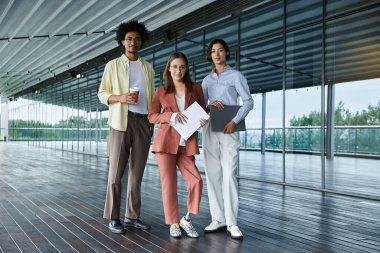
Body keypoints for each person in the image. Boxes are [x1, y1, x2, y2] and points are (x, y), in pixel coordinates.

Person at [98, 20, 154, 234]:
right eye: (129, 39)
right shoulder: (112, 65)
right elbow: (102, 94)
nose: (133, 42)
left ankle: (132, 216)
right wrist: (120, 97)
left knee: (137, 173)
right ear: (122, 41)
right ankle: (113, 217)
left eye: (137, 39)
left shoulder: (147, 67)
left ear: (142, 42)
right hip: (120, 122)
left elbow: (150, 98)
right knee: (115, 173)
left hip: (142, 122)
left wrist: (150, 122)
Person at [148, 52, 208, 238]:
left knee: (196, 180)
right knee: (169, 184)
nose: (178, 70)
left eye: (182, 67)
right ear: (169, 68)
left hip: (186, 143)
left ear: (187, 68)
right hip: (165, 143)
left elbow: (203, 110)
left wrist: (203, 119)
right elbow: (152, 116)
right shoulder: (161, 91)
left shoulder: (195, 88)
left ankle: (186, 219)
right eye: (174, 66)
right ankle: (173, 223)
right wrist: (171, 116)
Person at [202, 39, 253, 240]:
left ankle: (232, 222)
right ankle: (218, 218)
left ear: (226, 53)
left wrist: (235, 120)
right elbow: (202, 105)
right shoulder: (206, 81)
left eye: (220, 50)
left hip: (229, 126)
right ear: (210, 55)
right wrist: (208, 106)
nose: (217, 54)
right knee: (213, 174)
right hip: (209, 127)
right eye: (213, 51)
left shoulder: (236, 76)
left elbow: (248, 102)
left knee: (229, 173)